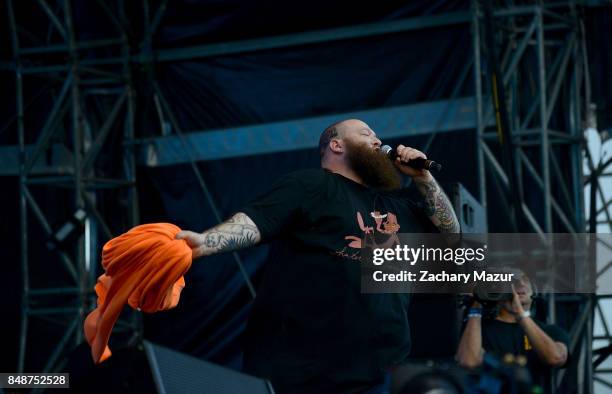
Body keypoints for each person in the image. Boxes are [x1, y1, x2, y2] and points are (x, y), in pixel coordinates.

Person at [176, 119, 460, 393]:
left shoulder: (397, 208)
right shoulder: (311, 185)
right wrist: (206, 242)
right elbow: (256, 221)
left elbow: (452, 233)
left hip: (376, 373)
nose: (378, 140)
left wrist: (424, 177)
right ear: (337, 145)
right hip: (304, 371)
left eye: (377, 136)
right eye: (365, 133)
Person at [455, 272, 570, 391]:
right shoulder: (478, 330)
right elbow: (469, 362)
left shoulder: (550, 331)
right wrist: (477, 303)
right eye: (513, 281)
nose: (520, 283)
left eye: (525, 279)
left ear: (534, 290)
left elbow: (556, 358)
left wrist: (521, 314)